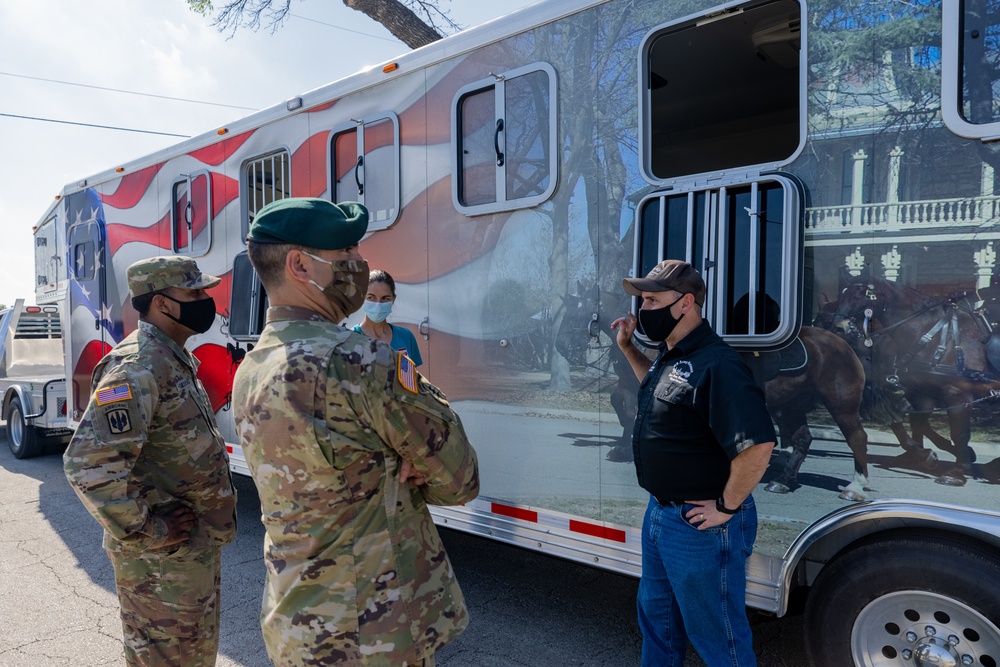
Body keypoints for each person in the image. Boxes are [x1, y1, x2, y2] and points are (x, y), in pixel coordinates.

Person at [231, 197, 480, 667]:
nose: (360, 268)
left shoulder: (252, 365)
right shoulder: (357, 360)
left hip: (297, 621)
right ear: (300, 264)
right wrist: (405, 459)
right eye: (347, 254)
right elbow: (460, 477)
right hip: (371, 629)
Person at [63, 256, 238, 667]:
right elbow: (88, 465)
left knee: (190, 657)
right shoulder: (137, 367)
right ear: (161, 303)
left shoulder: (170, 358)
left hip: (187, 554)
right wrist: (149, 530)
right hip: (160, 561)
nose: (204, 300)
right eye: (193, 293)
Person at [610, 259, 776, 667]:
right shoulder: (674, 355)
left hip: (698, 526)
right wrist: (629, 348)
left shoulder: (718, 363)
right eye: (641, 299)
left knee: (718, 638)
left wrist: (726, 508)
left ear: (685, 303)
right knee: (658, 623)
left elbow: (758, 446)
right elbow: (661, 386)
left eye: (652, 299)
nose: (642, 309)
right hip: (661, 516)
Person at [353, 268, 423, 366]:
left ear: (393, 299)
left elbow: (413, 377)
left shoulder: (406, 337)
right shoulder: (350, 339)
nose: (378, 304)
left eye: (385, 298)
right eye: (371, 297)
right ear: (362, 297)